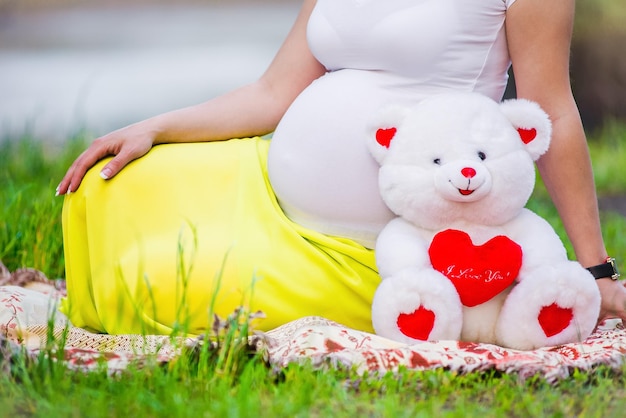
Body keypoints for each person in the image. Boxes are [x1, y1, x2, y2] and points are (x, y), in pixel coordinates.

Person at [56, 0, 626, 336]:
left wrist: (596, 272)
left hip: (401, 238)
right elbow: (273, 90)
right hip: (270, 189)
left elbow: (550, 109)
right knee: (112, 187)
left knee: (152, 280)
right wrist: (154, 127)